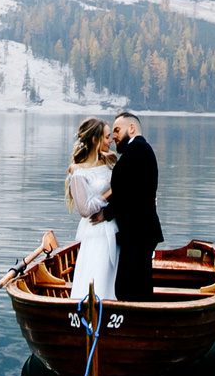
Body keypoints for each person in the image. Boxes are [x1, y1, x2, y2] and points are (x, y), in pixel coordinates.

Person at [106, 111, 163, 302]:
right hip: (140, 231)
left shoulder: (137, 149)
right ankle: (141, 315)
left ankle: (137, 316)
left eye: (117, 130)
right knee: (137, 284)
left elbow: (126, 191)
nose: (113, 136)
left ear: (131, 128)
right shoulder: (139, 150)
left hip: (138, 232)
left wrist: (105, 213)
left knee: (129, 288)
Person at [63, 118, 119, 308]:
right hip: (96, 231)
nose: (110, 140)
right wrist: (111, 191)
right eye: (107, 136)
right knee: (98, 271)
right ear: (95, 140)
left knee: (113, 275)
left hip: (114, 225)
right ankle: (92, 310)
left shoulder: (110, 159)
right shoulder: (77, 170)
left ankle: (113, 310)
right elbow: (84, 209)